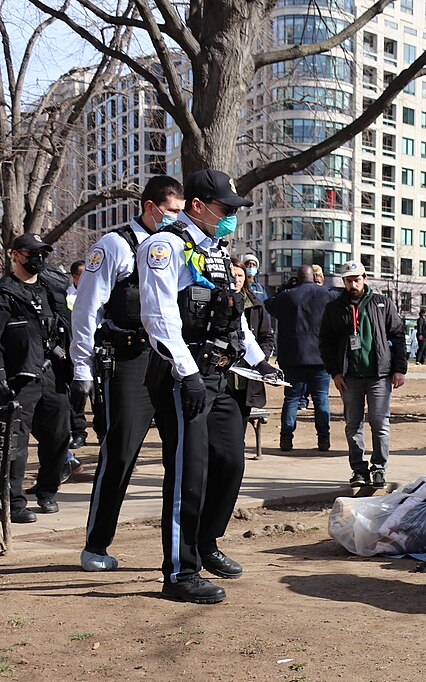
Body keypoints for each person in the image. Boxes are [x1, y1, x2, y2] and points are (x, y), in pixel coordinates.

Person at [138, 168, 277, 604]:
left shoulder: (215, 251)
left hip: (218, 375)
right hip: (184, 376)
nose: (230, 217)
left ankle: (206, 542)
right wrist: (189, 373)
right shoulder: (165, 247)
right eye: (225, 209)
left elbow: (232, 315)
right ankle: (179, 572)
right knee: (188, 474)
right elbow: (158, 317)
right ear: (197, 206)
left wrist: (260, 361)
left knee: (231, 462)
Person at [71, 174, 185, 570]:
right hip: (129, 359)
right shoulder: (115, 245)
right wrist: (81, 364)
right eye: (172, 211)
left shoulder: (177, 246)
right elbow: (87, 308)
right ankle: (96, 545)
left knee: (184, 456)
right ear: (150, 207)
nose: (178, 219)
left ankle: (185, 551)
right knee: (120, 454)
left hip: (170, 359)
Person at [0, 233, 73, 522]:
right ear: (15, 254)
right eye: (31, 252)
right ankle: (14, 502)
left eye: (42, 252)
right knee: (15, 441)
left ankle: (47, 491)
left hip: (54, 373)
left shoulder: (51, 290)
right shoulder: (5, 292)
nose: (38, 258)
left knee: (58, 434)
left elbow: (67, 328)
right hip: (20, 377)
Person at [318, 261, 407, 487]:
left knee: (380, 423)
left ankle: (379, 468)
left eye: (357, 279)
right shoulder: (334, 308)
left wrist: (399, 369)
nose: (353, 284)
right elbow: (325, 342)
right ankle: (358, 470)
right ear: (344, 282)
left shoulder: (382, 304)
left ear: (365, 278)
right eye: (349, 280)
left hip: (380, 375)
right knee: (353, 424)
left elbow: (398, 336)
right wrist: (335, 372)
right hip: (349, 377)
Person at [266, 264, 334, 451]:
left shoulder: (287, 296)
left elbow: (269, 305)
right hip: (320, 357)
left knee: (292, 399)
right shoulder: (326, 294)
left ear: (297, 277)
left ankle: (286, 438)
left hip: (293, 356)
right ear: (314, 277)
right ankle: (323, 439)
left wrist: (285, 288)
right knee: (321, 399)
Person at [226, 259, 275, 420]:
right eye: (233, 275)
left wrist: (260, 361)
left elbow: (266, 337)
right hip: (223, 379)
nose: (237, 279)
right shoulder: (219, 302)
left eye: (240, 275)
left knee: (239, 431)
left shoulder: (256, 305)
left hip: (247, 379)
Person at [65, 260, 90, 449]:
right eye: (81, 274)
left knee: (99, 399)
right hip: (74, 349)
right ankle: (79, 433)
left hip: (96, 348)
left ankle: (103, 432)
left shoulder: (95, 292)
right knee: (78, 397)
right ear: (74, 277)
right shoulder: (67, 297)